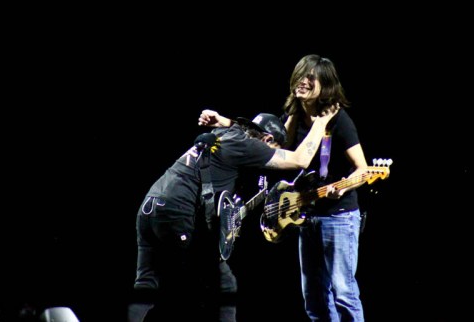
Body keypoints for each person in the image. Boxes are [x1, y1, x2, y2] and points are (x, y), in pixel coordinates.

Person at [128, 107, 337, 322]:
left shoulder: (226, 133)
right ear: (267, 139)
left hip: (149, 206)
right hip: (177, 212)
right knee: (221, 286)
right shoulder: (250, 145)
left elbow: (236, 129)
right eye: (274, 149)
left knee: (146, 282)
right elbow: (300, 160)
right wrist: (321, 123)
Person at [282, 54, 369, 322]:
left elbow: (363, 170)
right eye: (300, 75)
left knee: (344, 292)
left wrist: (343, 188)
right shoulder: (294, 117)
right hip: (306, 216)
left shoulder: (339, 120)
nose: (303, 81)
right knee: (314, 297)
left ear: (326, 84)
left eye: (311, 77)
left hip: (339, 216)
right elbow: (277, 150)